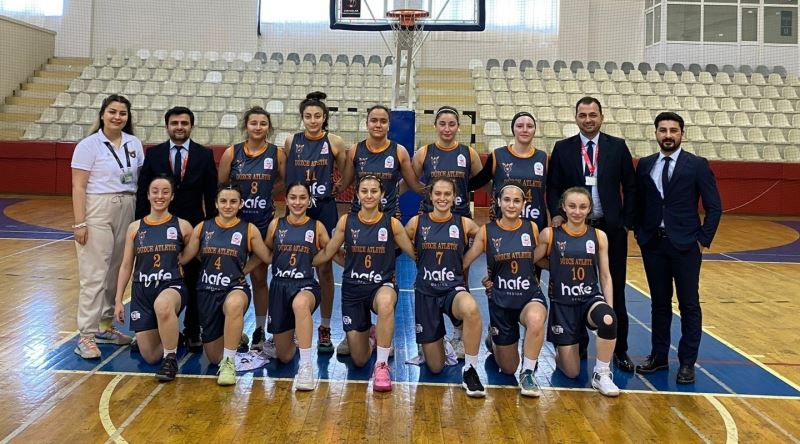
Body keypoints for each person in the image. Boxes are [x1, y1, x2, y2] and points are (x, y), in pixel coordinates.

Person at [546, 96, 637, 372]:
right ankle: (579, 344)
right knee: (576, 287)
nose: (588, 120)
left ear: (601, 117)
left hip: (610, 227)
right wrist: (558, 213)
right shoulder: (563, 148)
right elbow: (553, 187)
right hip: (575, 229)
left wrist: (625, 222)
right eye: (583, 115)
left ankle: (619, 349)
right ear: (576, 118)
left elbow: (631, 187)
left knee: (615, 288)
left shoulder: (617, 147)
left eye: (593, 115)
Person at [634, 112, 722, 385]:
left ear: (682, 134)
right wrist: (640, 233)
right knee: (659, 304)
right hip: (654, 245)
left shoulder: (697, 165)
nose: (668, 135)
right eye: (663, 130)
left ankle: (687, 363)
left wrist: (702, 239)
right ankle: (659, 356)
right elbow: (638, 201)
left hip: (686, 246)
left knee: (689, 304)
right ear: (656, 133)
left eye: (673, 130)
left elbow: (714, 207)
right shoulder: (645, 164)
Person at [314, 175, 416, 392]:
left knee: (386, 302)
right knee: (359, 360)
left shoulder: (392, 224)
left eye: (374, 191)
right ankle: (371, 335)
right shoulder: (346, 222)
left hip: (382, 286)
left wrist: (442, 261)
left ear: (382, 195)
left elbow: (414, 254)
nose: (369, 195)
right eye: (364, 191)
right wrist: (303, 262)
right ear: (357, 195)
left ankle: (381, 365)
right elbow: (330, 252)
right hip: (353, 290)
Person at [136, 106, 218, 352]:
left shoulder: (204, 155)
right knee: (155, 278)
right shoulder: (154, 154)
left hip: (193, 227)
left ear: (191, 126)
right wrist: (140, 227)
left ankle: (193, 330)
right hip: (158, 228)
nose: (179, 127)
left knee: (193, 278)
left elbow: (211, 194)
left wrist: (211, 229)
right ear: (167, 126)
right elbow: (143, 192)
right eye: (174, 123)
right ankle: (153, 329)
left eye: (184, 123)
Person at [71, 94, 144, 359]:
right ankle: (86, 335)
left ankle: (104, 326)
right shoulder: (88, 145)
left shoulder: (134, 143)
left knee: (116, 270)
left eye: (122, 113)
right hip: (98, 208)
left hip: (128, 205)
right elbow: (78, 186)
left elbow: (138, 178)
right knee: (95, 273)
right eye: (112, 111)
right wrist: (80, 222)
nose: (117, 117)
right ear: (102, 114)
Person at [181, 183, 271, 386]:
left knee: (234, 305)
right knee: (214, 358)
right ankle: (233, 337)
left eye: (233, 201)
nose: (228, 206)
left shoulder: (249, 229)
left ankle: (229, 363)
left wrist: (244, 269)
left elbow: (265, 256)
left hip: (235, 288)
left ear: (241, 204)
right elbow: (186, 256)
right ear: (215, 203)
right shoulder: (203, 227)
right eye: (223, 201)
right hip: (207, 291)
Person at [462, 183, 547, 397]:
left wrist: (564, 266)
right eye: (507, 200)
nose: (511, 205)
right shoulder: (486, 231)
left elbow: (535, 259)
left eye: (517, 201)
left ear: (524, 204)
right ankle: (494, 339)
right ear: (498, 202)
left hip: (529, 295)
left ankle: (528, 373)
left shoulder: (532, 228)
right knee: (508, 368)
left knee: (536, 319)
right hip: (501, 300)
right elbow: (466, 261)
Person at [411, 106, 483, 358]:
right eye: (442, 124)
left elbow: (481, 181)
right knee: (427, 276)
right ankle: (428, 336)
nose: (447, 128)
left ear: (458, 127)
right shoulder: (424, 153)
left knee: (460, 278)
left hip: (459, 220)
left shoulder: (468, 153)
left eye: (452, 124)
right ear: (435, 126)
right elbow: (411, 179)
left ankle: (459, 334)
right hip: (429, 221)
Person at [535, 187, 620, 397]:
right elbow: (531, 260)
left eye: (583, 207)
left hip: (589, 299)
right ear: (563, 207)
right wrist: (554, 266)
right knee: (572, 372)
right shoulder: (550, 234)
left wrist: (609, 307)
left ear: (590, 208)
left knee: (608, 319)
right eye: (572, 206)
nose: (577, 211)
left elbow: (605, 275)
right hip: (563, 304)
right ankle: (561, 351)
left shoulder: (598, 236)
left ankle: (602, 373)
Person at [405, 177, 486, 398]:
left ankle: (470, 370)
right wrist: (417, 259)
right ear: (430, 197)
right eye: (438, 194)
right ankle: (441, 344)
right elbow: (396, 241)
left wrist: (465, 262)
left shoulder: (464, 224)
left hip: (453, 290)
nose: (442, 198)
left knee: (471, 309)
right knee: (435, 367)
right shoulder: (416, 223)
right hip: (426, 293)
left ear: (455, 197)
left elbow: (488, 239)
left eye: (447, 194)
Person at [283, 91, 348, 353]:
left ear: (324, 118)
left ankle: (325, 327)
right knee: (295, 268)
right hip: (298, 209)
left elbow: (346, 172)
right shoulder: (291, 141)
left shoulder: (334, 141)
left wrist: (338, 187)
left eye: (317, 116)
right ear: (302, 118)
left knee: (325, 269)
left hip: (324, 208)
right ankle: (295, 325)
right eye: (308, 116)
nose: (312, 120)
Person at [218, 106, 285, 354]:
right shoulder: (232, 153)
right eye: (253, 123)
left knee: (258, 277)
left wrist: (269, 194)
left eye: (263, 123)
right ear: (246, 126)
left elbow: (287, 183)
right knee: (228, 275)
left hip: (263, 222)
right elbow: (222, 185)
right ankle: (229, 328)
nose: (258, 127)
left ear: (269, 127)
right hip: (235, 223)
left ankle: (259, 329)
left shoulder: (277, 153)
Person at [114, 176, 194, 380]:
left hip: (171, 287)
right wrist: (118, 300)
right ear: (148, 195)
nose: (160, 196)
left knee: (163, 305)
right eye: (155, 191)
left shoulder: (183, 226)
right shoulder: (135, 228)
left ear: (172, 196)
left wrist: (183, 260)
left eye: (165, 192)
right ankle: (174, 337)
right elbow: (126, 265)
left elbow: (196, 254)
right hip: (142, 291)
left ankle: (170, 360)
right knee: (150, 356)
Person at [262, 182, 329, 391]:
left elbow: (331, 250)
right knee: (284, 356)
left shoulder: (317, 227)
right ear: (286, 200)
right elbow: (267, 251)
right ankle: (292, 335)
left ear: (309, 201)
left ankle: (306, 366)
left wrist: (313, 261)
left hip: (305, 285)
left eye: (302, 198)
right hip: (279, 286)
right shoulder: (276, 225)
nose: (297, 202)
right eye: (293, 197)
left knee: (300, 304)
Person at [337, 104, 424, 217]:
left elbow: (413, 184)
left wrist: (438, 192)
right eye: (374, 120)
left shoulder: (399, 151)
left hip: (388, 214)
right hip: (359, 214)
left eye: (383, 121)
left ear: (389, 125)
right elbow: (344, 183)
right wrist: (324, 193)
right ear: (367, 124)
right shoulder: (355, 150)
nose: (378, 125)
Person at [469, 111, 548, 230]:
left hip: (535, 223)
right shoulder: (498, 155)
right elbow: (479, 181)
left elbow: (553, 189)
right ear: (513, 129)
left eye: (530, 126)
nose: (525, 130)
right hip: (502, 223)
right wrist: (454, 187)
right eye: (519, 126)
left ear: (534, 130)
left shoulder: (543, 158)